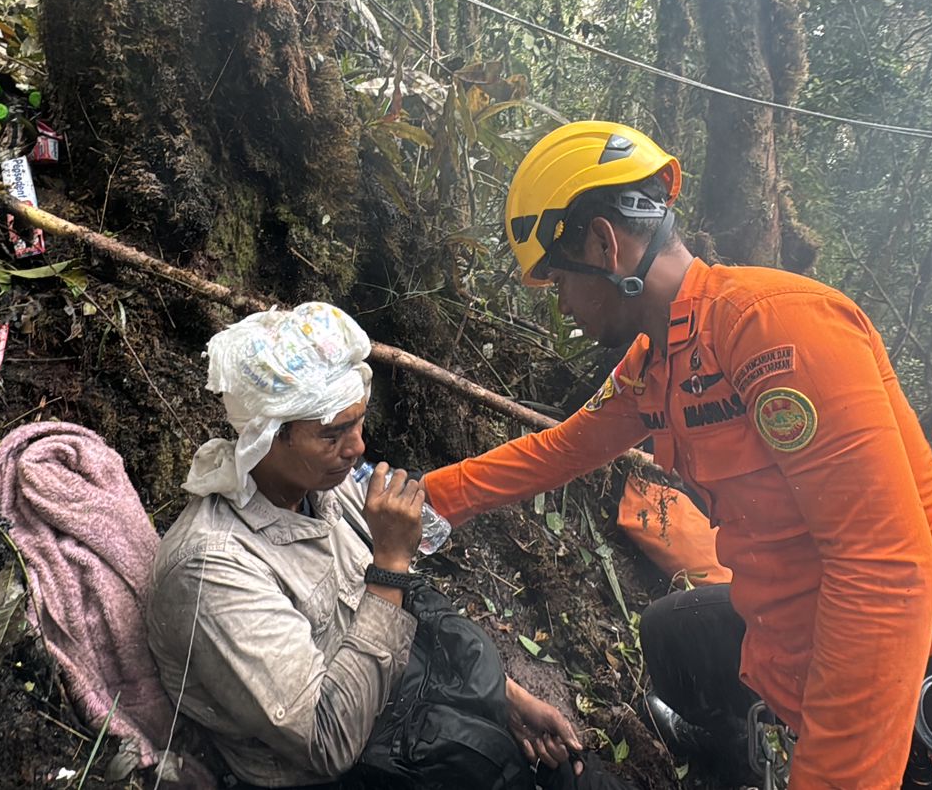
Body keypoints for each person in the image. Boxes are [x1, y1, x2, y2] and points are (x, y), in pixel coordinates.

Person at [420, 122, 932, 789]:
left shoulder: (775, 329)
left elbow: (885, 573)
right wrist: (431, 499)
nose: (561, 303)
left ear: (603, 244)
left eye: (559, 279)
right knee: (674, 634)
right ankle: (725, 753)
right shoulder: (658, 361)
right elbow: (564, 449)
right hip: (795, 626)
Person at [145, 302, 628, 790]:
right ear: (269, 436)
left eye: (358, 422)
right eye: (333, 433)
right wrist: (391, 563)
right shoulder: (213, 569)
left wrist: (505, 697)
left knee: (577, 775)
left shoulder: (323, 489)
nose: (357, 447)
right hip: (349, 769)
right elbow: (328, 740)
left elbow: (395, 624)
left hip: (415, 719)